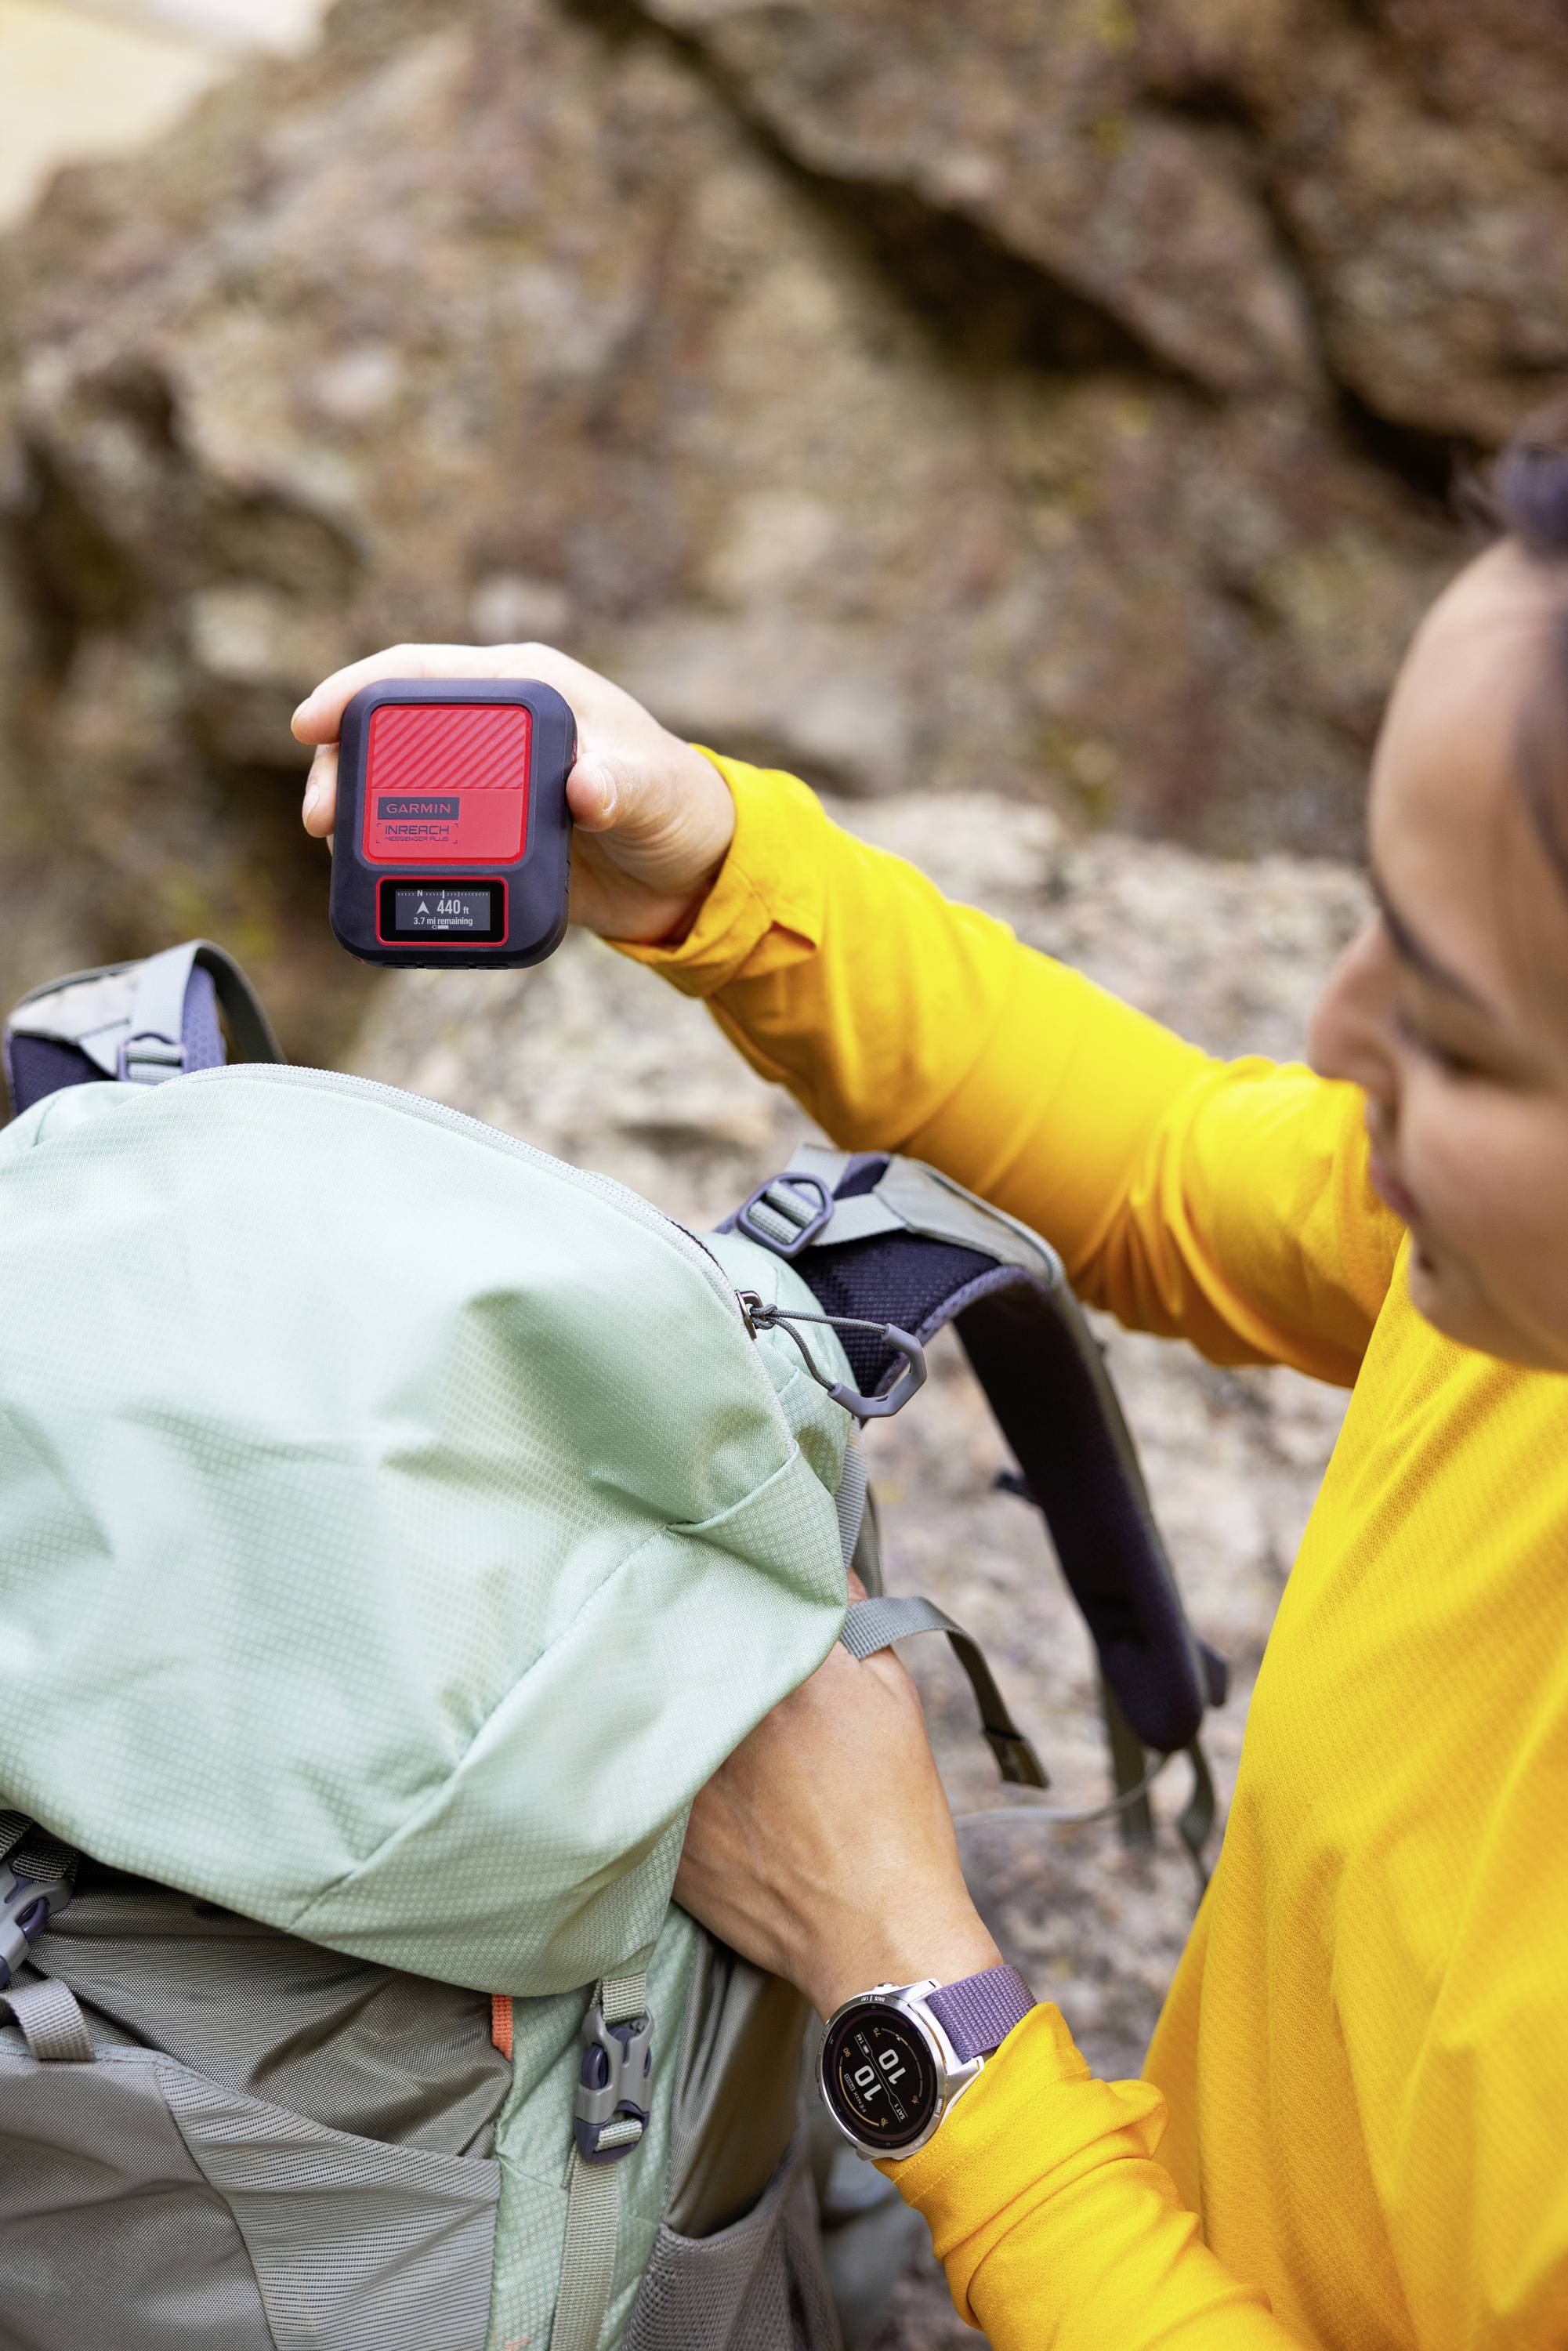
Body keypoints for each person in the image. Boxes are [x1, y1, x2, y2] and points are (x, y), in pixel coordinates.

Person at [293, 404, 1568, 2348]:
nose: (1334, 1035)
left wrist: (911, 1994)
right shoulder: (1503, 1289)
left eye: (1461, 1039)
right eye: (1368, 911)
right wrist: (719, 869)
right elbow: (1164, 1179)